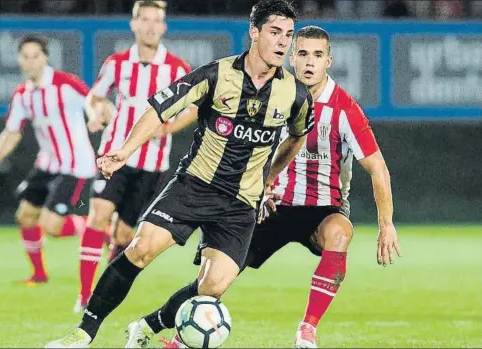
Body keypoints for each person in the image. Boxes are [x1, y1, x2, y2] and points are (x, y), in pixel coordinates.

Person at [45, 0, 314, 347]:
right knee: (140, 249)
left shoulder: (295, 94)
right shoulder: (216, 75)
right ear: (254, 32)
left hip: (241, 204)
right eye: (275, 32)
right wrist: (124, 151)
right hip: (195, 186)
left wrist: (269, 177)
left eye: (288, 35)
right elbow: (158, 110)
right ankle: (83, 333)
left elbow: (296, 136)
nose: (282, 42)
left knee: (212, 287)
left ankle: (147, 326)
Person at [126, 26, 402, 349]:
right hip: (268, 205)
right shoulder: (274, 95)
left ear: (329, 60)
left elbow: (378, 168)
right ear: (292, 58)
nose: (309, 62)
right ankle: (151, 326)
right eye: (302, 54)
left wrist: (386, 224)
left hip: (323, 210)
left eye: (317, 55)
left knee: (341, 233)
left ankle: (307, 330)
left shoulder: (345, 109)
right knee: (213, 283)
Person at [75, 0, 195, 313]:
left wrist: (168, 129)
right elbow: (95, 97)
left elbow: (194, 108)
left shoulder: (177, 68)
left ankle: (105, 289)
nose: (151, 26)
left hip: (153, 163)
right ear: (134, 24)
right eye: (145, 19)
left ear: (164, 26)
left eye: (157, 20)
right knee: (98, 215)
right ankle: (85, 295)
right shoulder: (116, 63)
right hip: (114, 154)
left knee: (125, 235)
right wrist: (96, 113)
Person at [0, 35, 96, 285]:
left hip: (75, 165)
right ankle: (39, 275)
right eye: (25, 56)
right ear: (19, 60)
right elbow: (12, 132)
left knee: (51, 227)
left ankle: (95, 226)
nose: (31, 62)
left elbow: (95, 101)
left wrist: (98, 116)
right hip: (47, 164)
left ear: (46, 57)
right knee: (25, 216)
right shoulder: (22, 94)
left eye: (36, 56)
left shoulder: (65, 84)